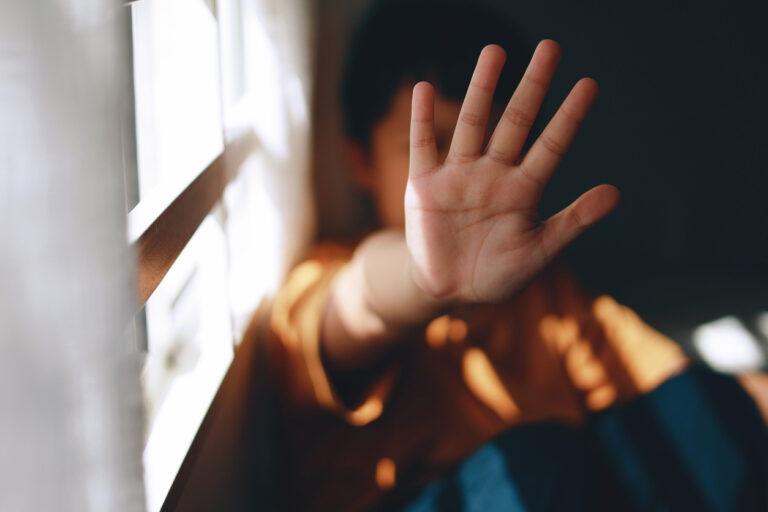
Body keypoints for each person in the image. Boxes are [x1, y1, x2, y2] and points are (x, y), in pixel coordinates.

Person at [268, 1, 768, 510]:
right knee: (534, 462)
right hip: (450, 493)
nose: (463, 183)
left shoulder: (544, 295)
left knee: (705, 406)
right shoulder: (333, 272)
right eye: (433, 145)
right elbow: (358, 305)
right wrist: (423, 277)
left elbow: (665, 380)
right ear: (360, 161)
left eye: (485, 151)